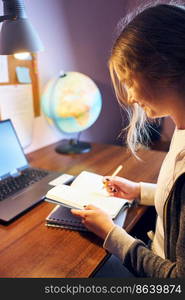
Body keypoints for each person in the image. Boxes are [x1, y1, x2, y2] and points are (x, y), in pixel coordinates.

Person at [71, 2, 185, 278]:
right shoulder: (180, 128)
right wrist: (139, 190)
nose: (131, 97)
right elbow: (178, 202)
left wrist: (112, 233)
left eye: (130, 81)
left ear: (162, 70)